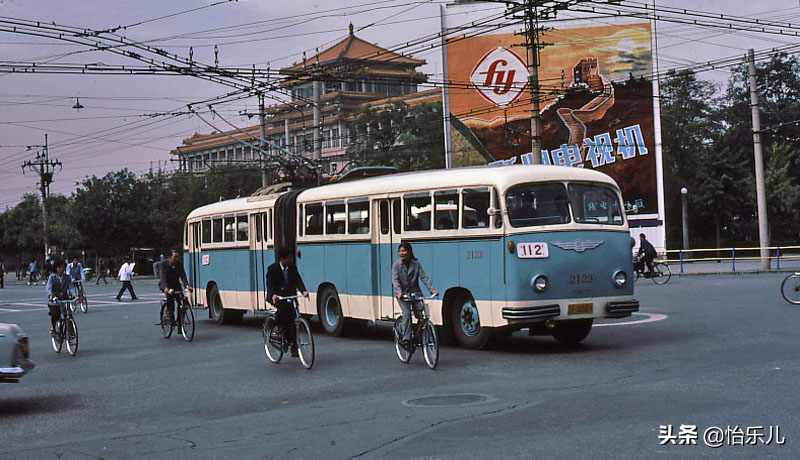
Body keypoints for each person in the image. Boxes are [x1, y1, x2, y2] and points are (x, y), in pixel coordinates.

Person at [391, 242, 437, 348]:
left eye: (404, 251)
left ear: (409, 252)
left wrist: (432, 290)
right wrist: (399, 292)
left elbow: (424, 277)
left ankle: (420, 334)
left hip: (415, 293)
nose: (401, 253)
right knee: (407, 313)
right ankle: (406, 338)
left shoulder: (416, 264)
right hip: (403, 295)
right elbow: (395, 280)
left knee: (421, 314)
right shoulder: (396, 265)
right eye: (400, 251)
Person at [266, 248, 308, 357]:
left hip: (289, 296)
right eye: (289, 258)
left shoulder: (292, 268)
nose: (291, 259)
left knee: (293, 320)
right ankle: (276, 328)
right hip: (278, 296)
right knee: (283, 311)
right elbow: (270, 284)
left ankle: (294, 346)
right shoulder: (272, 269)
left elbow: (298, 280)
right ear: (282, 259)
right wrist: (273, 294)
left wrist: (303, 290)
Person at [158, 249, 192, 324]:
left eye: (177, 257)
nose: (176, 259)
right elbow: (162, 277)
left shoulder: (179, 263)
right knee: (170, 301)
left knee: (182, 302)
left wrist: (186, 285)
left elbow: (183, 275)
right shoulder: (163, 264)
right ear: (170, 257)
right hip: (167, 284)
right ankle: (169, 315)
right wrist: (165, 287)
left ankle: (181, 322)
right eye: (175, 257)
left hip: (176, 284)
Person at [46, 260, 76, 333]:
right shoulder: (52, 277)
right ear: (56, 268)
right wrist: (50, 295)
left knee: (69, 315)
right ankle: (53, 326)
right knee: (55, 314)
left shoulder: (67, 277)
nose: (61, 269)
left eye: (63, 267)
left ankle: (72, 334)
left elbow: (71, 287)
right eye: (59, 267)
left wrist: (75, 295)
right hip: (54, 300)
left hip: (64, 299)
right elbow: (49, 287)